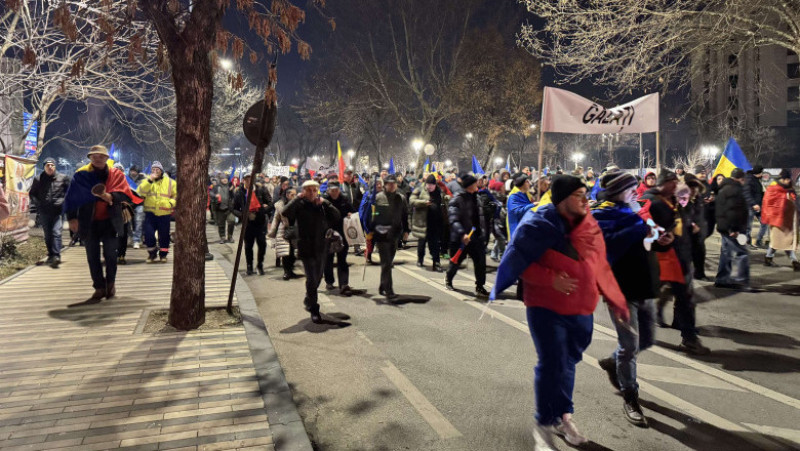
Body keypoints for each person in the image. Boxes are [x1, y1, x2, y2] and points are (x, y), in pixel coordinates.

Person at [490, 175, 630, 449]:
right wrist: (549, 279)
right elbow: (518, 261)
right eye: (578, 194)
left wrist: (615, 298)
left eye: (585, 193)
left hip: (580, 308)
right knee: (552, 362)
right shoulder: (537, 223)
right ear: (563, 198)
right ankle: (544, 423)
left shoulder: (589, 225)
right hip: (546, 307)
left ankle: (562, 415)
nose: (584, 199)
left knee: (567, 363)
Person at [592, 172, 660, 427]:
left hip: (644, 284)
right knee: (630, 345)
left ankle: (614, 362)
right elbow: (612, 245)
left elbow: (649, 239)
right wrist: (638, 221)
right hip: (619, 289)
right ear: (615, 191)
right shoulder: (601, 215)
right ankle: (630, 397)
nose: (636, 191)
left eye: (635, 187)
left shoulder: (634, 211)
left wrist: (661, 239)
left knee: (645, 341)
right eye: (630, 188)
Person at [640, 171, 710, 354]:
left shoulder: (677, 202)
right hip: (661, 259)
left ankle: (689, 337)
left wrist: (689, 227)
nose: (675, 185)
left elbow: (679, 223)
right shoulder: (652, 202)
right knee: (646, 297)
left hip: (679, 258)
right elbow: (642, 226)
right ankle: (640, 330)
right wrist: (658, 237)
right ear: (662, 185)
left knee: (685, 299)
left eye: (676, 182)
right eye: (671, 182)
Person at [64, 145, 140, 301]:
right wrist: (72, 218)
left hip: (110, 221)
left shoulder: (116, 174)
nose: (98, 158)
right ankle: (99, 287)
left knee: (111, 255)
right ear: (90, 158)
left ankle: (110, 284)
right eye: (94, 156)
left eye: (101, 156)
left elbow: (126, 195)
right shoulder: (81, 175)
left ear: (107, 158)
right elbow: (71, 197)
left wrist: (110, 197)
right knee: (92, 256)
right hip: (89, 221)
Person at [282, 180, 341, 323]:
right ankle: (314, 309)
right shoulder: (300, 205)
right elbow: (285, 212)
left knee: (318, 277)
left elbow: (337, 216)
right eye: (309, 190)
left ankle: (309, 298)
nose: (312, 193)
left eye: (314, 190)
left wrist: (326, 203)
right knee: (311, 278)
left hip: (321, 246)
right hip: (306, 247)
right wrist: (297, 198)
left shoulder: (322, 205)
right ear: (304, 191)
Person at [444, 174, 489, 297]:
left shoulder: (477, 198)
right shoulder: (457, 199)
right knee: (456, 261)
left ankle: (480, 285)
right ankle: (449, 278)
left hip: (476, 237)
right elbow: (453, 219)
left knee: (480, 263)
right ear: (470, 185)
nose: (478, 184)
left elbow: (480, 218)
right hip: (461, 238)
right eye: (475, 183)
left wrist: (483, 234)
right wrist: (461, 234)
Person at [370, 175, 409, 299]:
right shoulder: (378, 197)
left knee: (388, 261)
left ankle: (383, 284)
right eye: (389, 184)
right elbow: (373, 214)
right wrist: (371, 229)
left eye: (394, 183)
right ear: (385, 185)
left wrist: (406, 230)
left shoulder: (401, 198)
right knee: (386, 263)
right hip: (381, 234)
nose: (392, 186)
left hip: (395, 234)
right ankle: (389, 289)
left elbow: (404, 215)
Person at [714, 169, 752, 290]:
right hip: (733, 229)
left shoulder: (724, 188)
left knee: (726, 253)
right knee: (742, 253)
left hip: (726, 228)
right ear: (741, 179)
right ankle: (741, 280)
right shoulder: (734, 190)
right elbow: (732, 212)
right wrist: (733, 230)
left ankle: (722, 279)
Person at [29, 157, 70, 268]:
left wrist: (64, 202)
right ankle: (51, 255)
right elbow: (32, 194)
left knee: (56, 232)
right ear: (44, 167)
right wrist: (37, 206)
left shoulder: (63, 178)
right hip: (44, 211)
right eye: (48, 165)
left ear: (55, 166)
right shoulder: (38, 179)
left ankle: (56, 255)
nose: (50, 167)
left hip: (58, 211)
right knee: (47, 235)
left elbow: (70, 193)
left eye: (52, 165)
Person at [233, 174, 273, 275]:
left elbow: (270, 203)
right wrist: (242, 215)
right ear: (244, 181)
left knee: (262, 245)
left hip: (260, 222)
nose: (249, 181)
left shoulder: (261, 190)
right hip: (248, 224)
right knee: (248, 246)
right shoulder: (240, 193)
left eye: (251, 179)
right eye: (247, 179)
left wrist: (263, 210)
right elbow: (233, 208)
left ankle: (260, 265)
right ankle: (249, 266)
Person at [137, 161, 177, 263]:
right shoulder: (147, 181)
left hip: (164, 213)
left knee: (164, 235)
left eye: (157, 169)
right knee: (149, 235)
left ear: (161, 171)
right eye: (153, 169)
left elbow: (176, 195)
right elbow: (140, 192)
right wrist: (150, 180)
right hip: (150, 213)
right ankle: (152, 254)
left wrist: (171, 204)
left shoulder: (170, 182)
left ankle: (163, 255)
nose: (155, 171)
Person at [761, 169, 799, 269]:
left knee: (787, 242)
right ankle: (770, 258)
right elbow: (769, 203)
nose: (788, 181)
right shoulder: (773, 188)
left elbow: (795, 199)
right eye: (787, 179)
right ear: (783, 179)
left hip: (787, 220)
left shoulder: (790, 188)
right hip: (776, 219)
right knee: (776, 241)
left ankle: (793, 260)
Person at [323, 181, 356, 295]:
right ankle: (329, 281)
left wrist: (350, 214)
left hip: (343, 233)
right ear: (328, 191)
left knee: (342, 259)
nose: (334, 192)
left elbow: (353, 211)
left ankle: (344, 283)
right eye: (332, 190)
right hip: (329, 234)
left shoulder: (345, 199)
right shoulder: (324, 201)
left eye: (336, 190)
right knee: (328, 260)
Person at [410, 174, 448, 272]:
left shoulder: (440, 192)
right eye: (428, 184)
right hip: (423, 222)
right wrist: (423, 203)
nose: (429, 186)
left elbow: (444, 204)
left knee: (435, 244)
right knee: (421, 243)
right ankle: (420, 259)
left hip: (435, 223)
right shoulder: (419, 190)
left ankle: (436, 262)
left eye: (432, 185)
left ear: (435, 185)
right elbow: (412, 201)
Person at [268, 186, 299, 280]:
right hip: (284, 230)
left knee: (293, 253)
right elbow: (276, 219)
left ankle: (291, 271)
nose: (294, 196)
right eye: (292, 194)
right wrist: (272, 232)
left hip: (295, 230)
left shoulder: (298, 204)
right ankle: (287, 272)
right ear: (287, 195)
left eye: (295, 194)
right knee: (286, 253)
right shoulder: (280, 205)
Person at [506, 175, 533, 240]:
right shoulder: (513, 197)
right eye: (527, 182)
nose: (529, 183)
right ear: (522, 183)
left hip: (525, 229)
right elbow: (517, 212)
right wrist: (532, 205)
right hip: (517, 230)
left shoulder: (526, 195)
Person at [743, 165, 765, 247]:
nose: (762, 174)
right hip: (750, 206)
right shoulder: (749, 180)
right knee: (748, 226)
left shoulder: (757, 180)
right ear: (758, 173)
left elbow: (758, 193)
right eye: (761, 172)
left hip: (758, 206)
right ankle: (747, 242)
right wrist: (753, 204)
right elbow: (747, 194)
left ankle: (758, 240)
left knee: (764, 222)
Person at [211, 175, 235, 244]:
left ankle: (230, 236)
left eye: (226, 178)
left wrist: (232, 191)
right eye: (223, 178)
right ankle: (222, 237)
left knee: (232, 221)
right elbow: (211, 193)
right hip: (220, 208)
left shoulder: (230, 186)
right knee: (221, 224)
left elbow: (234, 196)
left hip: (229, 208)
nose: (225, 180)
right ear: (220, 179)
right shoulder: (217, 187)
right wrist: (215, 195)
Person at [127, 166, 146, 248]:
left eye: (134, 171)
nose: (133, 172)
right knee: (127, 222)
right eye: (132, 171)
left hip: (140, 203)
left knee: (138, 222)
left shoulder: (142, 179)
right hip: (129, 204)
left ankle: (137, 240)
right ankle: (130, 236)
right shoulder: (126, 179)